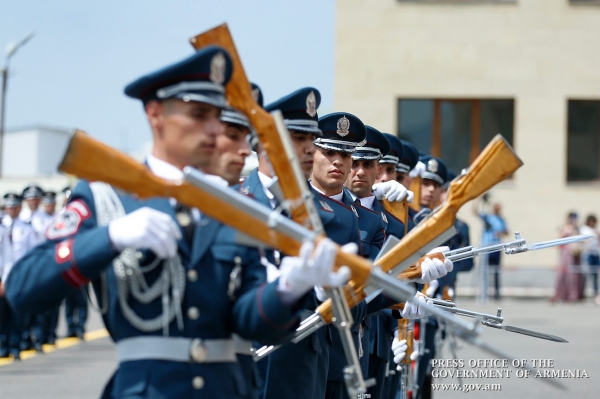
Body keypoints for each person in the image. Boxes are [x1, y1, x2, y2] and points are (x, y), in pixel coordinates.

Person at [5, 47, 351, 398]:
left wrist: (288, 289)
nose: (213, 127)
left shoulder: (234, 207)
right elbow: (23, 288)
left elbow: (254, 323)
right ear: (156, 114)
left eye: (216, 115)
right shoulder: (108, 198)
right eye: (198, 113)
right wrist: (109, 237)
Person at [246, 88, 362, 399]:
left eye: (312, 139)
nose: (310, 148)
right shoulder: (231, 200)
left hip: (303, 358)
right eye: (298, 138)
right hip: (246, 357)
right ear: (266, 141)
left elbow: (354, 300)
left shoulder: (336, 215)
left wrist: (331, 296)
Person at [0, 193, 38, 359]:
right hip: (1, 276)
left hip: (18, 276)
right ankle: (2, 346)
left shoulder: (26, 228)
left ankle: (16, 346)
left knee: (17, 313)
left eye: (15, 207)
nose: (12, 210)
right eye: (9, 206)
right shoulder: (2, 227)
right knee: (1, 314)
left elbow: (31, 254)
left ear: (20, 208)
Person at [472, 195, 508, 300]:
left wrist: (500, 233)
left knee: (496, 271)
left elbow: (506, 231)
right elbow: (475, 211)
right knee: (484, 271)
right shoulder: (488, 217)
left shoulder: (501, 219)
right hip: (487, 246)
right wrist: (478, 199)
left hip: (496, 247)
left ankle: (496, 293)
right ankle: (484, 293)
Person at [552, 212, 584, 302]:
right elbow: (558, 238)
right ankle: (561, 294)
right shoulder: (563, 227)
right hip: (564, 252)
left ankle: (573, 295)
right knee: (562, 274)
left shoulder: (577, 228)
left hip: (573, 253)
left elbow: (579, 240)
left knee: (573, 275)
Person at [579, 215, 599, 299]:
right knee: (586, 274)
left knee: (595, 274)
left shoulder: (596, 229)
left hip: (596, 254)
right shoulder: (584, 229)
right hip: (587, 254)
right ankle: (582, 293)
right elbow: (582, 240)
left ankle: (596, 293)